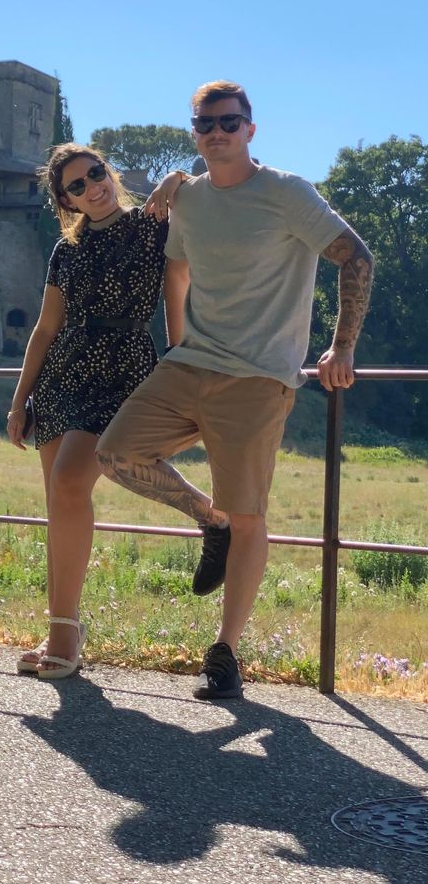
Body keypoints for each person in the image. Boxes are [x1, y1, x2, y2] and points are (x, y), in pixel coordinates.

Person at [97, 81, 373, 700]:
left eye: (229, 122)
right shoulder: (188, 198)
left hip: (257, 378)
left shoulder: (286, 193)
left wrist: (343, 347)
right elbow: (176, 268)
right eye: (205, 123)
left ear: (251, 129)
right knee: (115, 454)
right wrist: (177, 344)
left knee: (249, 516)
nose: (217, 132)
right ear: (194, 133)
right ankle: (208, 520)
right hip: (190, 365)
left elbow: (356, 257)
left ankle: (225, 655)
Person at [6, 143, 217, 680]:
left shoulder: (151, 227)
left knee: (71, 481)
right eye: (76, 186)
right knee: (60, 502)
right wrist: (19, 399)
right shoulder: (66, 250)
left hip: (122, 369)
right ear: (67, 201)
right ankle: (62, 629)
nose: (92, 187)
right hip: (61, 377)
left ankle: (210, 516)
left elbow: (192, 210)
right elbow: (45, 328)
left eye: (95, 173)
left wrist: (172, 177)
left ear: (109, 171)